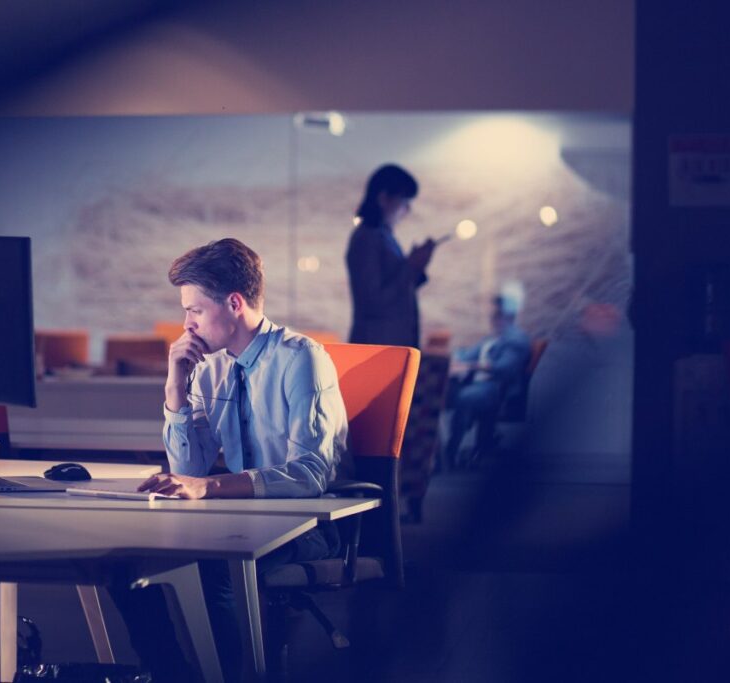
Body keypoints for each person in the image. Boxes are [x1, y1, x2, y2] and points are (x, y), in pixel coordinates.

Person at [111, 238, 349, 683]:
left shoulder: (302, 360)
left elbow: (311, 473)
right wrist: (175, 387)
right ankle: (175, 674)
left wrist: (211, 488)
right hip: (240, 516)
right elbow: (191, 470)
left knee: (211, 564)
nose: (186, 324)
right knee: (125, 561)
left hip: (310, 525)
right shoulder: (210, 366)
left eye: (194, 310)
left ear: (234, 303)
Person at [346, 164, 437, 347]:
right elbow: (373, 302)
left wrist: (415, 266)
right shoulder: (367, 238)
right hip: (376, 347)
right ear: (383, 198)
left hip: (387, 345)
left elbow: (395, 290)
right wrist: (411, 266)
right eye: (404, 202)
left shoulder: (383, 237)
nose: (407, 211)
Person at [443, 293, 532, 468]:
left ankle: (451, 450)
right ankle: (437, 446)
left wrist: (472, 366)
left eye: (497, 315)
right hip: (479, 384)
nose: (493, 319)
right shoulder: (493, 338)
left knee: (466, 397)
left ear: (509, 315)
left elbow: (504, 368)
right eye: (493, 315)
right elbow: (468, 356)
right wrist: (458, 360)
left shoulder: (516, 340)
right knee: (443, 391)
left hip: (496, 388)